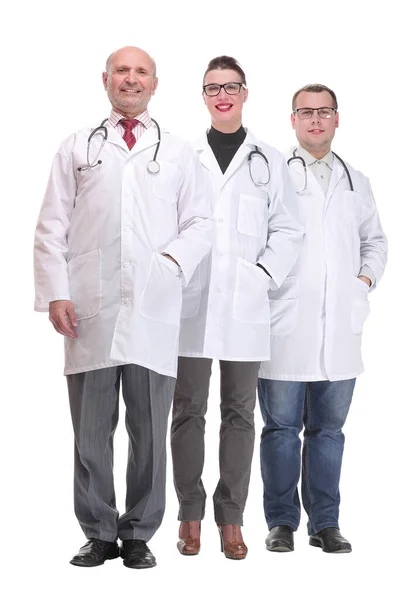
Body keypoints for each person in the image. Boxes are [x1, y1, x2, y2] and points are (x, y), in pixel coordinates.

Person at [34, 46, 213, 569]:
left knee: (149, 430)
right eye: (121, 71)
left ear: (155, 84)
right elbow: (51, 227)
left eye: (141, 72)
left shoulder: (178, 152)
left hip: (152, 308)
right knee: (90, 433)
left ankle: (137, 533)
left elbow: (202, 223)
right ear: (105, 80)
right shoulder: (77, 147)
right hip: (87, 308)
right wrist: (56, 292)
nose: (130, 80)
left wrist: (169, 266)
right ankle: (98, 531)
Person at [170, 56, 304, 560]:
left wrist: (264, 275)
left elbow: (289, 229)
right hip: (190, 304)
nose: (221, 94)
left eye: (231, 86)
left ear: (245, 93)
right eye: (212, 88)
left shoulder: (267, 160)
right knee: (186, 411)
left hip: (247, 306)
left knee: (240, 413)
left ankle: (231, 519)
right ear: (203, 97)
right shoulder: (183, 157)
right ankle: (189, 515)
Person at [258, 84, 388, 553]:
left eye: (324, 112)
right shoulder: (272, 173)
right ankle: (281, 523)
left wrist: (363, 283)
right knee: (280, 431)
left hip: (341, 328)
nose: (316, 120)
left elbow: (375, 241)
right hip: (284, 323)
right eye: (306, 113)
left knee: (329, 432)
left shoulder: (358, 180)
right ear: (292, 120)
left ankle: (326, 524)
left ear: (337, 119)